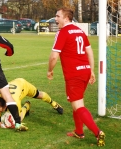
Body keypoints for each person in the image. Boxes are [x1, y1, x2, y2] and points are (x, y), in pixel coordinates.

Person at [47, 7, 105, 146]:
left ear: (66, 18)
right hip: (84, 71)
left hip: (74, 74)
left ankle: (98, 133)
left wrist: (50, 70)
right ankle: (79, 132)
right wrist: (91, 70)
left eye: (57, 16)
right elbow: (89, 52)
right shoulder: (80, 31)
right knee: (77, 102)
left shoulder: (62, 32)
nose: (55, 19)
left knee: (78, 105)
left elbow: (54, 56)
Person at [0, 78, 64, 129]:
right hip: (14, 86)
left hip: (23, 85)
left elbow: (19, 119)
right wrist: (2, 125)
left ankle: (53, 103)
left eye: (0, 111)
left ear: (6, 105)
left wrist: (13, 124)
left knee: (39, 95)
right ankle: (26, 106)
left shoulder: (14, 102)